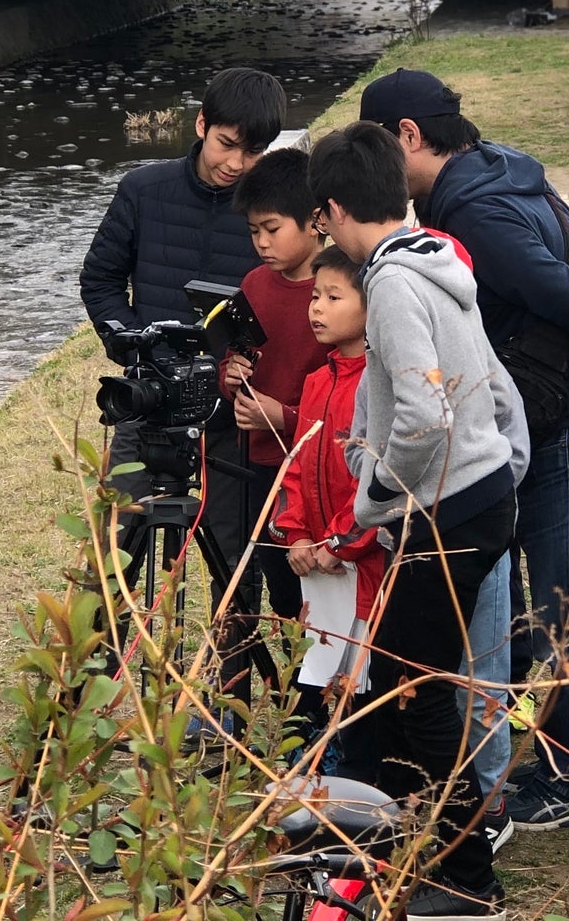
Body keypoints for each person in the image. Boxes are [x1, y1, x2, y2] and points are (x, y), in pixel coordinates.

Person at [360, 68, 569, 833]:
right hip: (563, 413)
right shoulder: (506, 170)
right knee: (562, 601)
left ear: (408, 136)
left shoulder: (475, 211)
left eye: (380, 149)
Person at [310, 121, 528, 921]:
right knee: (407, 681)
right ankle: (412, 850)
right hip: (475, 495)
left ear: (331, 211)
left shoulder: (393, 284)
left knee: (415, 690)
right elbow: (492, 391)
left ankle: (464, 880)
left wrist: (372, 492)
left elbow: (426, 416)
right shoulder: (434, 256)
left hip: (445, 507)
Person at [77, 67, 286, 668]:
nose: (237, 164)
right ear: (200, 125)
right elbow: (100, 278)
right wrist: (133, 345)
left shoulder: (267, 211)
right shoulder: (143, 189)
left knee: (232, 559)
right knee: (116, 549)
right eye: (227, 144)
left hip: (231, 411)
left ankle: (229, 695)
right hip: (151, 403)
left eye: (254, 152)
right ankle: (90, 685)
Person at [205, 147, 331, 721]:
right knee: (272, 584)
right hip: (255, 462)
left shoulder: (337, 292)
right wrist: (230, 377)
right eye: (254, 230)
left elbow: (347, 388)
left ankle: (317, 700)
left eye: (272, 229)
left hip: (312, 465)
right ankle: (260, 695)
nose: (261, 242)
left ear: (315, 221)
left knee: (311, 590)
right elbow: (237, 356)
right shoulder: (254, 283)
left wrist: (284, 416)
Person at [271, 244, 385, 768]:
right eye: (315, 296)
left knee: (358, 671)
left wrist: (343, 542)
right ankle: (319, 760)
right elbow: (295, 467)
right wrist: (294, 533)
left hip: (359, 562)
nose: (316, 307)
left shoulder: (377, 386)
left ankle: (353, 765)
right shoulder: (317, 381)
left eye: (333, 297)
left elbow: (379, 480)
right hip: (316, 561)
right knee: (319, 660)